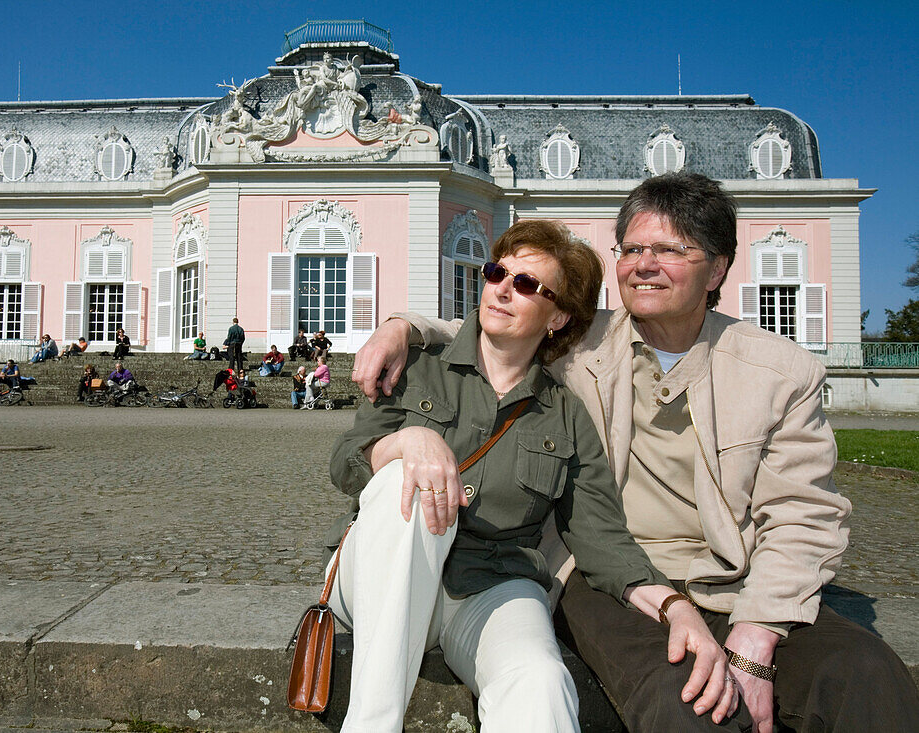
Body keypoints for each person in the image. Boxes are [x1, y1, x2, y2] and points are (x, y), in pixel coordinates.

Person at [353, 173, 919, 732]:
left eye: (670, 249)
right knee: (684, 702)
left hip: (745, 583)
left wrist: (756, 634)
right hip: (615, 578)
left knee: (867, 673)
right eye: (632, 248)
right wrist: (399, 326)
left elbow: (804, 515)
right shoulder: (580, 343)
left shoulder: (781, 371)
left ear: (718, 267)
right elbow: (495, 319)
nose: (644, 263)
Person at [328, 219, 731, 732]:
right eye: (498, 271)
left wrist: (674, 606)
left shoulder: (563, 414)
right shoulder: (417, 365)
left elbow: (601, 537)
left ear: (558, 316)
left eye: (526, 284)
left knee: (540, 679)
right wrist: (406, 441)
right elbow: (345, 462)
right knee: (401, 483)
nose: (502, 288)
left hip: (489, 587)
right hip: (380, 577)